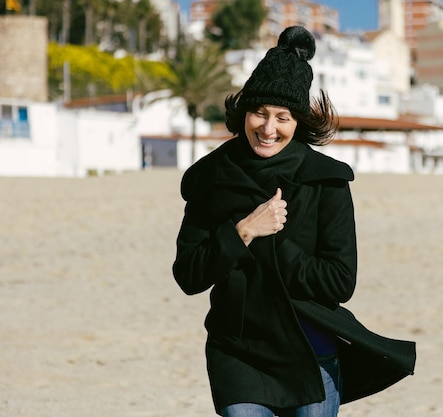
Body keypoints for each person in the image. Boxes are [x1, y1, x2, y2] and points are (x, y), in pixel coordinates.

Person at [172, 26, 416, 417]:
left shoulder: (327, 181)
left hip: (311, 349)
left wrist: (276, 245)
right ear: (244, 112)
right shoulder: (211, 178)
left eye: (282, 117)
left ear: (298, 122)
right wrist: (245, 231)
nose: (268, 129)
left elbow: (340, 281)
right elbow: (189, 276)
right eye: (260, 113)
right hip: (239, 351)